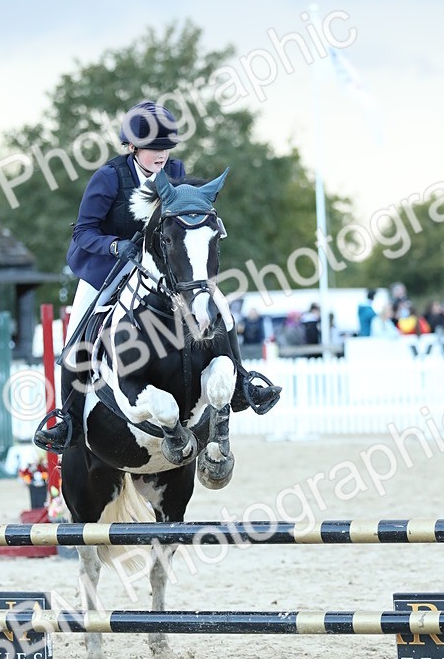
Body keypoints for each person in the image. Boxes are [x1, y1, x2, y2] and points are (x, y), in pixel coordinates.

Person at [34, 100, 280, 452]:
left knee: (217, 305)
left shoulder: (176, 170)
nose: (162, 155)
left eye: (166, 147)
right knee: (78, 341)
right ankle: (68, 421)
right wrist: (118, 248)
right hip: (105, 267)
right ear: (132, 147)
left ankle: (242, 383)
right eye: (154, 148)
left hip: (159, 266)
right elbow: (83, 232)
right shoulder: (109, 178)